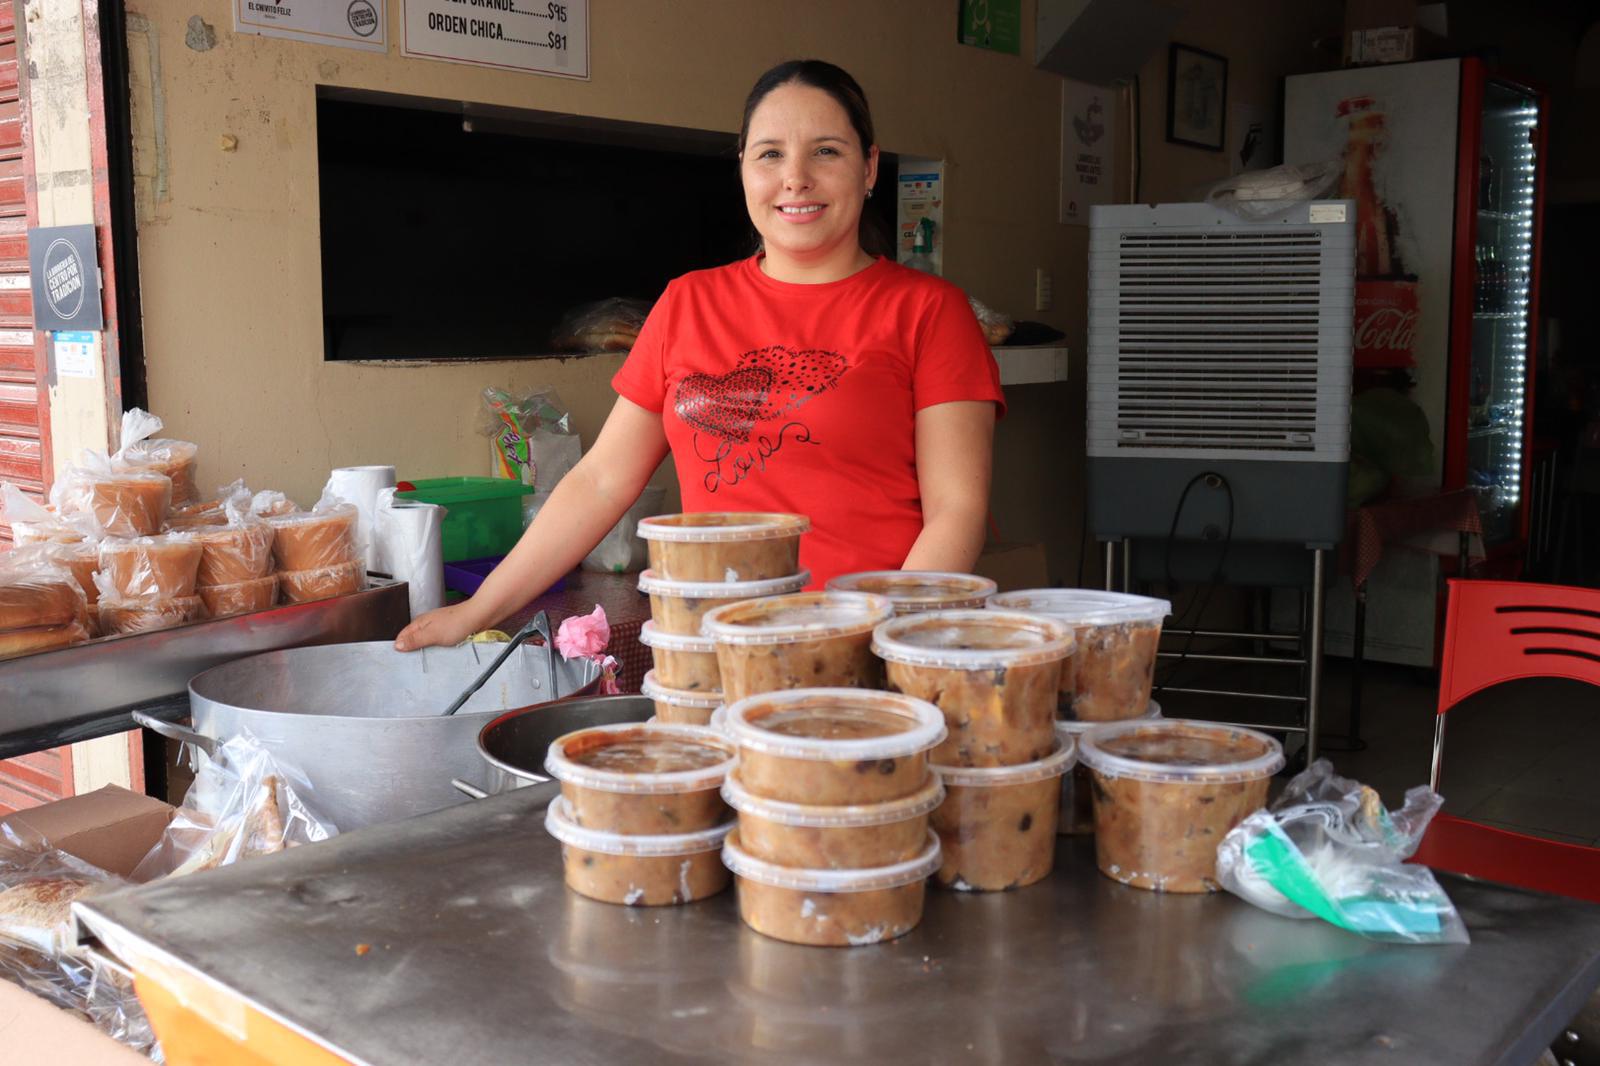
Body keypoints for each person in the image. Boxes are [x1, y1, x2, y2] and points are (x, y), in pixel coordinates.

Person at [396, 59, 1002, 652]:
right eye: (770, 154)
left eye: (826, 151)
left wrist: (880, 643)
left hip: (866, 651)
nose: (795, 178)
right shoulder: (688, 303)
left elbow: (957, 511)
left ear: (868, 167)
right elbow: (600, 482)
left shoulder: (929, 311)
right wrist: (475, 611)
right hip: (717, 652)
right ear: (743, 167)